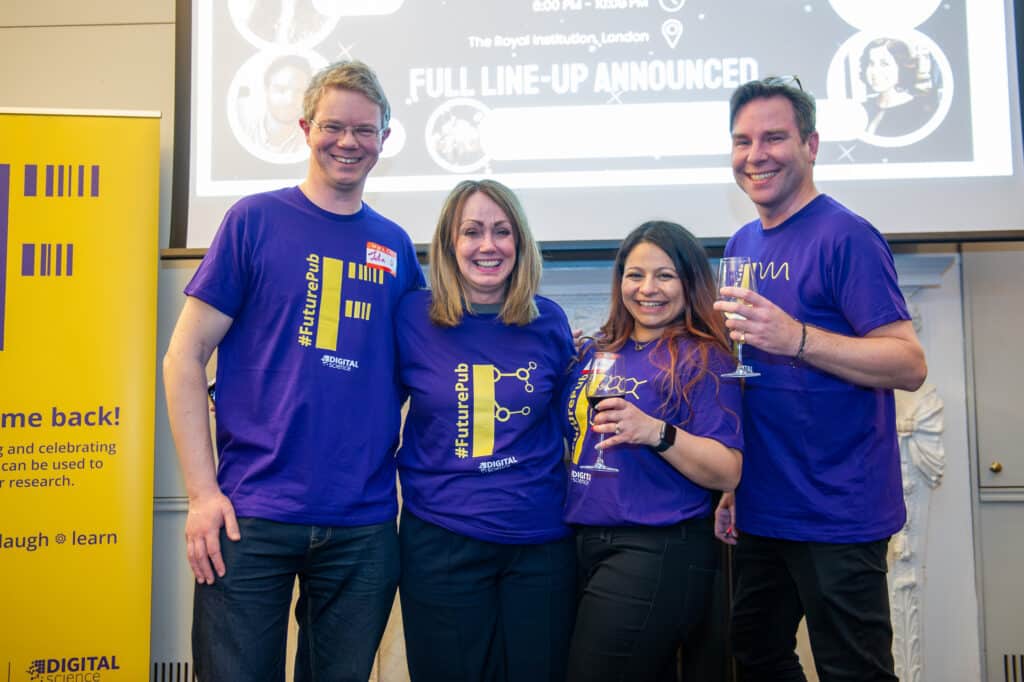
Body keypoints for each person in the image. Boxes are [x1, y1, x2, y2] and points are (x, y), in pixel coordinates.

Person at [162, 60, 423, 682]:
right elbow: (183, 357)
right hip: (249, 513)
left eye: (365, 130)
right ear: (306, 128)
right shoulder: (253, 221)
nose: (348, 142)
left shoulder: (397, 247)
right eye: (334, 126)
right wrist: (201, 495)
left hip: (361, 525)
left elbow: (432, 369)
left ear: (384, 139)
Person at [715, 76, 928, 681]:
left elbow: (908, 363)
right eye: (742, 140)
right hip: (762, 504)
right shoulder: (742, 241)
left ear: (811, 144)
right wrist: (733, 480)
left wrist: (798, 339)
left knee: (853, 671)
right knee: (754, 652)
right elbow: (750, 378)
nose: (756, 154)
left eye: (774, 137)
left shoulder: (847, 236)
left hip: (838, 509)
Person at [395, 179, 577, 682]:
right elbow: (363, 400)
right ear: (450, 245)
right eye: (471, 231)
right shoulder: (411, 317)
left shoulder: (550, 322)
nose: (487, 245)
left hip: (540, 544)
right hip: (441, 542)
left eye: (501, 231)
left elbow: (573, 423)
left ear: (520, 243)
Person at [563, 221, 743, 682]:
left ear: (689, 282)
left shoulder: (705, 357)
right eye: (635, 274)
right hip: (581, 540)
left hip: (655, 549)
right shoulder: (598, 351)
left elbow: (728, 471)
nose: (648, 289)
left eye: (664, 275)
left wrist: (656, 432)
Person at [860, 38, 935, 137]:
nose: (875, 71)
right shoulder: (863, 108)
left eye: (884, 64)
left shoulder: (919, 111)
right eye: (871, 64)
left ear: (901, 67)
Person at [241, 53, 312, 156]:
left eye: (299, 91)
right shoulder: (247, 134)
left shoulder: (311, 143)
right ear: (266, 89)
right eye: (281, 90)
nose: (290, 100)